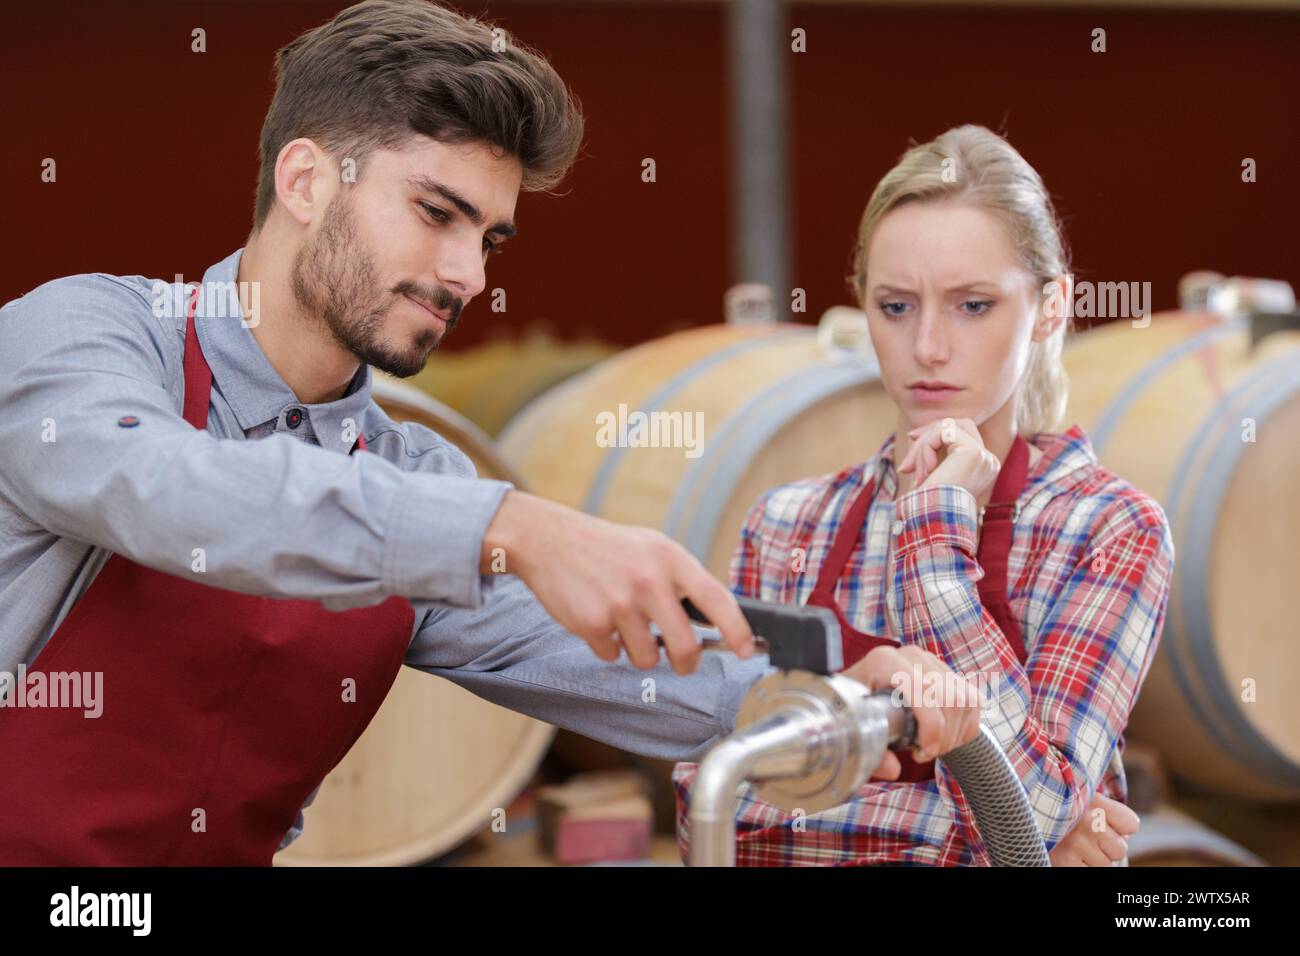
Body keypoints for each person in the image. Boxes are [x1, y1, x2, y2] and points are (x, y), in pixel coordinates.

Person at [0, 0, 770, 866]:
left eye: (491, 239)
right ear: (305, 182)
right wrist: (504, 525)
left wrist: (829, 690)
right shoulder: (83, 335)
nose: (469, 275)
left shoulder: (414, 474)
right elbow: (166, 488)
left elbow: (622, 664)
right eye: (436, 213)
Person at [673, 124, 1173, 867]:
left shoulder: (1110, 530)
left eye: (973, 306)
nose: (928, 348)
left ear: (1050, 307)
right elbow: (708, 809)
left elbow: (1027, 817)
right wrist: (969, 839)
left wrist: (935, 543)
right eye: (897, 306)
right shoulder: (786, 524)